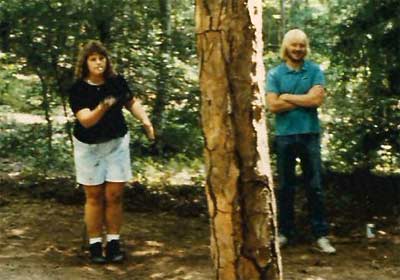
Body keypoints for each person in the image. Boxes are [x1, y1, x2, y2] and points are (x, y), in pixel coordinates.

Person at [69, 40, 155, 263]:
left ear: (107, 61)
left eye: (101, 58)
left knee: (114, 195)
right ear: (85, 63)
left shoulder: (116, 82)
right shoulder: (78, 89)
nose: (98, 62)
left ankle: (114, 242)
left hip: (116, 144)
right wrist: (103, 107)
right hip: (88, 147)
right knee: (94, 196)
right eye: (93, 59)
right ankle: (95, 244)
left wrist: (145, 121)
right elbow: (86, 121)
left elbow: (131, 102)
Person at [265, 29, 336, 254]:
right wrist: (303, 99)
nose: (298, 49)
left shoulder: (315, 70)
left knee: (314, 187)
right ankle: (285, 233)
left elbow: (316, 99)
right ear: (286, 47)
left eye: (302, 45)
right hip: (284, 136)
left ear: (306, 48)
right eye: (294, 45)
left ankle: (321, 235)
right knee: (286, 187)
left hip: (309, 135)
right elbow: (273, 106)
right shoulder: (275, 74)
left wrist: (286, 96)